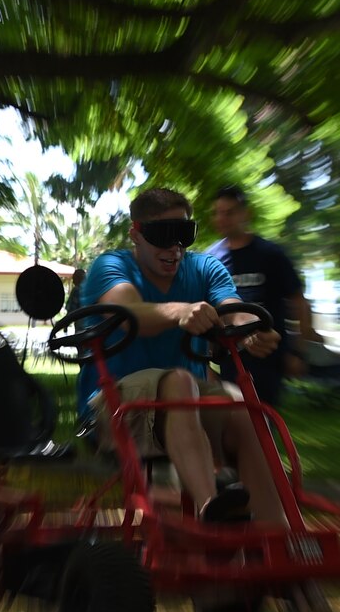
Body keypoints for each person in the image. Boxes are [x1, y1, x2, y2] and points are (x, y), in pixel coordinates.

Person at [76, 187, 285, 527]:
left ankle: (277, 534)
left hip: (187, 409)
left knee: (241, 404)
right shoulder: (111, 266)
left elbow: (232, 307)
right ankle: (210, 508)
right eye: (162, 235)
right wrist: (180, 311)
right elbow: (130, 313)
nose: (174, 247)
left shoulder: (205, 267)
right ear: (136, 234)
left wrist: (250, 328)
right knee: (179, 381)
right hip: (115, 412)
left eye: (184, 234)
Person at [205, 185, 313, 408]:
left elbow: (299, 302)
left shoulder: (271, 254)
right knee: (232, 418)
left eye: (229, 212)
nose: (221, 219)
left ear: (246, 213)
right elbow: (206, 309)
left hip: (268, 355)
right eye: (217, 213)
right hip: (230, 358)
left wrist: (298, 351)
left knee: (264, 418)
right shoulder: (211, 259)